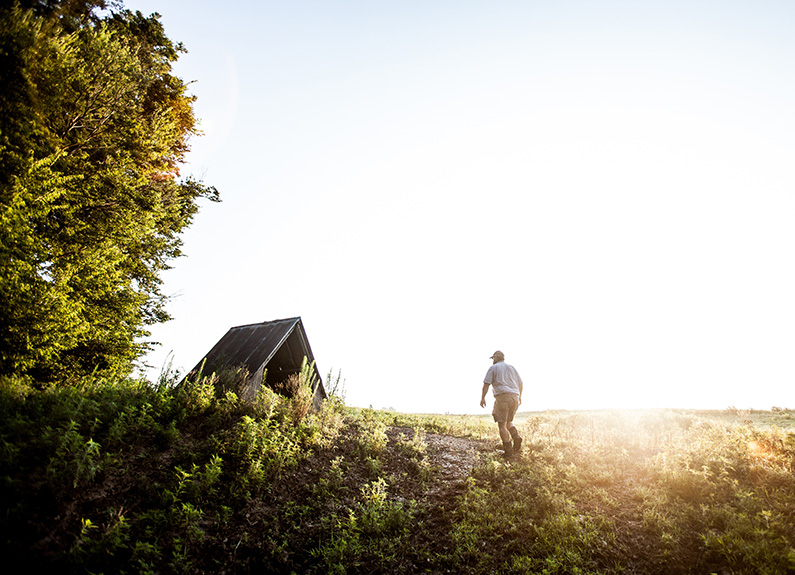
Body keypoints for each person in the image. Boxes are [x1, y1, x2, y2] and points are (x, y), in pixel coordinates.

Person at [480, 350, 523, 457]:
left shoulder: (493, 368)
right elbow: (520, 383)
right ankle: (516, 437)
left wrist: (483, 398)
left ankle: (508, 452)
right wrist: (520, 397)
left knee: (501, 424)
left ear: (495, 358)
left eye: (493, 358)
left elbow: (486, 384)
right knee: (509, 421)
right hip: (515, 397)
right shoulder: (512, 368)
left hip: (503, 397)